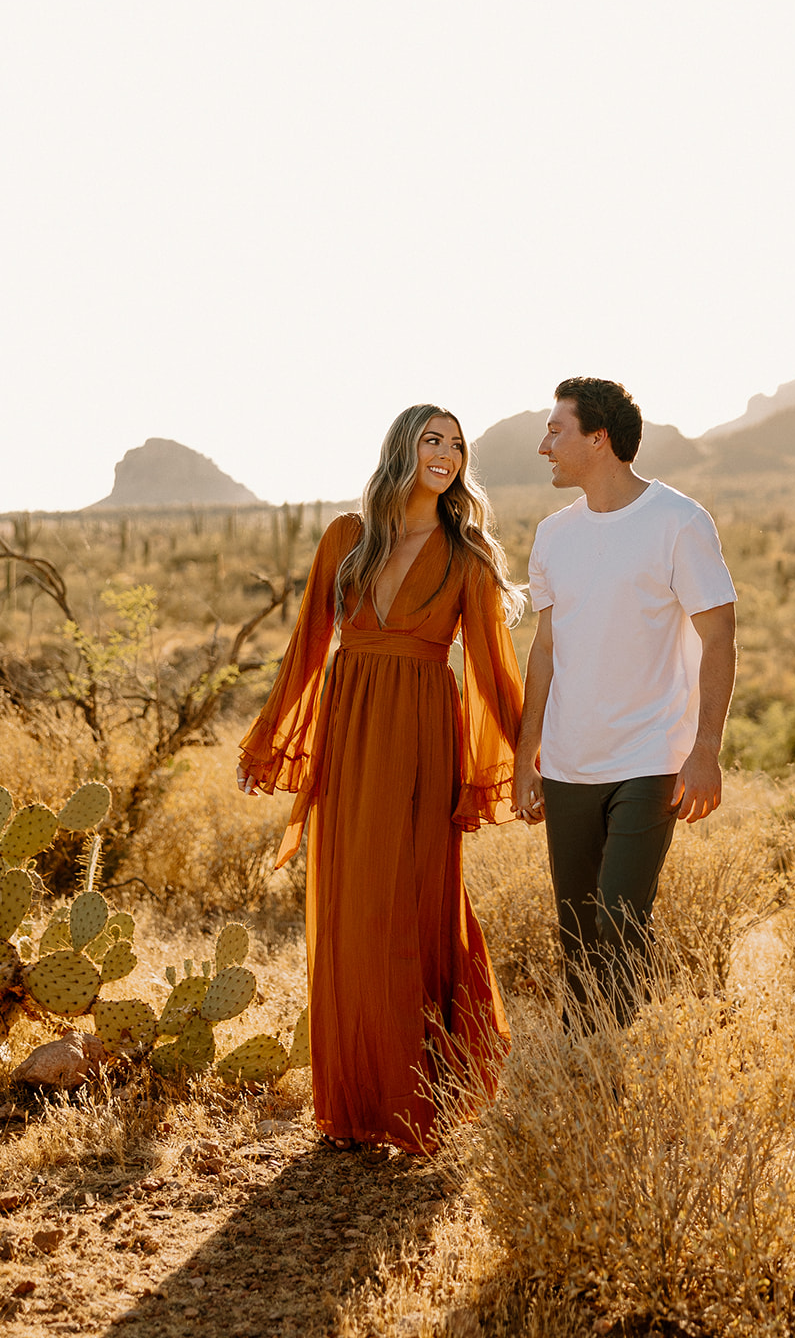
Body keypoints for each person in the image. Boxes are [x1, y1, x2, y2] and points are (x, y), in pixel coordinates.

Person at [237, 404, 525, 1154]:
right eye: (433, 439)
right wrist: (271, 741)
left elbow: (493, 671)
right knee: (352, 908)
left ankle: (424, 1096)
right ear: (403, 448)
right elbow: (307, 644)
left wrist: (525, 760)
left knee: (420, 898)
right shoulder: (345, 537)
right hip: (352, 730)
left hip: (426, 738)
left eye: (457, 445)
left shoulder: (468, 554)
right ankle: (359, 1099)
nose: (447, 453)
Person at [512, 377, 736, 1022]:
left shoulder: (678, 521)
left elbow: (718, 636)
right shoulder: (553, 535)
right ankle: (587, 1072)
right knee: (578, 936)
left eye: (557, 430)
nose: (544, 445)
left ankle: (614, 1063)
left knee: (620, 922)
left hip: (650, 757)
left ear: (599, 438)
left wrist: (706, 750)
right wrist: (529, 751)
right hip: (568, 760)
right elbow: (546, 648)